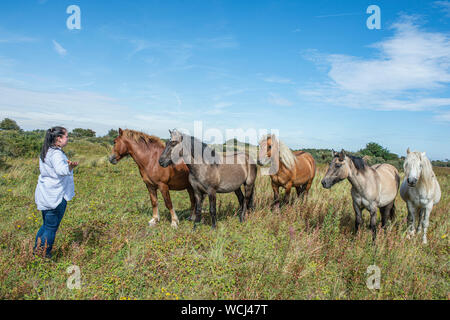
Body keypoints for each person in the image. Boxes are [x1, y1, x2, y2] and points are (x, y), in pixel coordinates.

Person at [34, 126, 78, 258]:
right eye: (66, 136)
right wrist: (70, 166)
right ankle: (44, 255)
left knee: (46, 225)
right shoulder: (57, 153)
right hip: (56, 195)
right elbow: (61, 170)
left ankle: (36, 252)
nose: (68, 139)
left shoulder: (47, 150)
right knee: (51, 228)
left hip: (46, 192)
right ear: (58, 138)